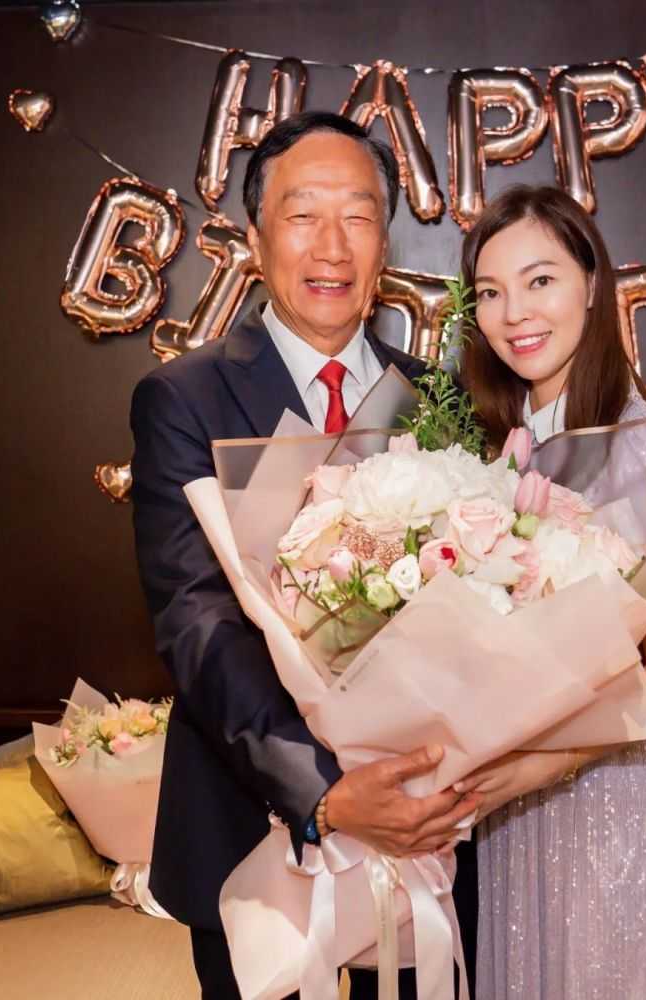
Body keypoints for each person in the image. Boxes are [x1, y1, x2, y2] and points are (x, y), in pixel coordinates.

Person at [130, 111, 479, 1000]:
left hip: (421, 827)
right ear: (255, 241)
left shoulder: (435, 398)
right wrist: (324, 793)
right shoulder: (185, 398)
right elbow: (197, 619)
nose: (332, 245)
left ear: (384, 245)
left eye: (358, 217)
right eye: (303, 214)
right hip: (250, 824)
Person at [452, 184, 646, 1000]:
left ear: (592, 284)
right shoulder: (476, 457)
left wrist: (555, 759)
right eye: (490, 292)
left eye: (540, 281)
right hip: (501, 811)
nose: (514, 314)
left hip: (609, 796)